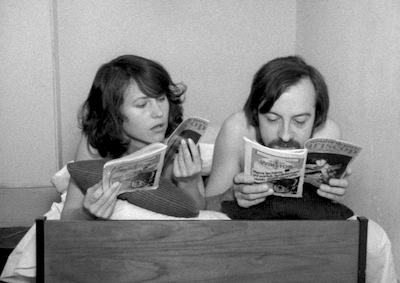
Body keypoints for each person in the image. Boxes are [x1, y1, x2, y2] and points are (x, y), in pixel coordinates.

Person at [205, 55, 397, 282]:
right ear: (256, 113)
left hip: (306, 232)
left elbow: (325, 213)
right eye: (272, 119)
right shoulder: (237, 129)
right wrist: (232, 194)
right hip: (247, 233)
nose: (285, 135)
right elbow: (206, 208)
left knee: (376, 240)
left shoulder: (328, 132)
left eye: (300, 121)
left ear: (317, 116)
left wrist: (332, 194)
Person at [61, 54, 204, 220]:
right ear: (114, 113)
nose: (158, 113)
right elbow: (68, 217)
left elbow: (201, 212)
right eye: (142, 105)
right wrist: (87, 212)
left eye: (161, 99)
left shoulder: (183, 142)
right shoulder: (95, 144)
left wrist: (189, 182)